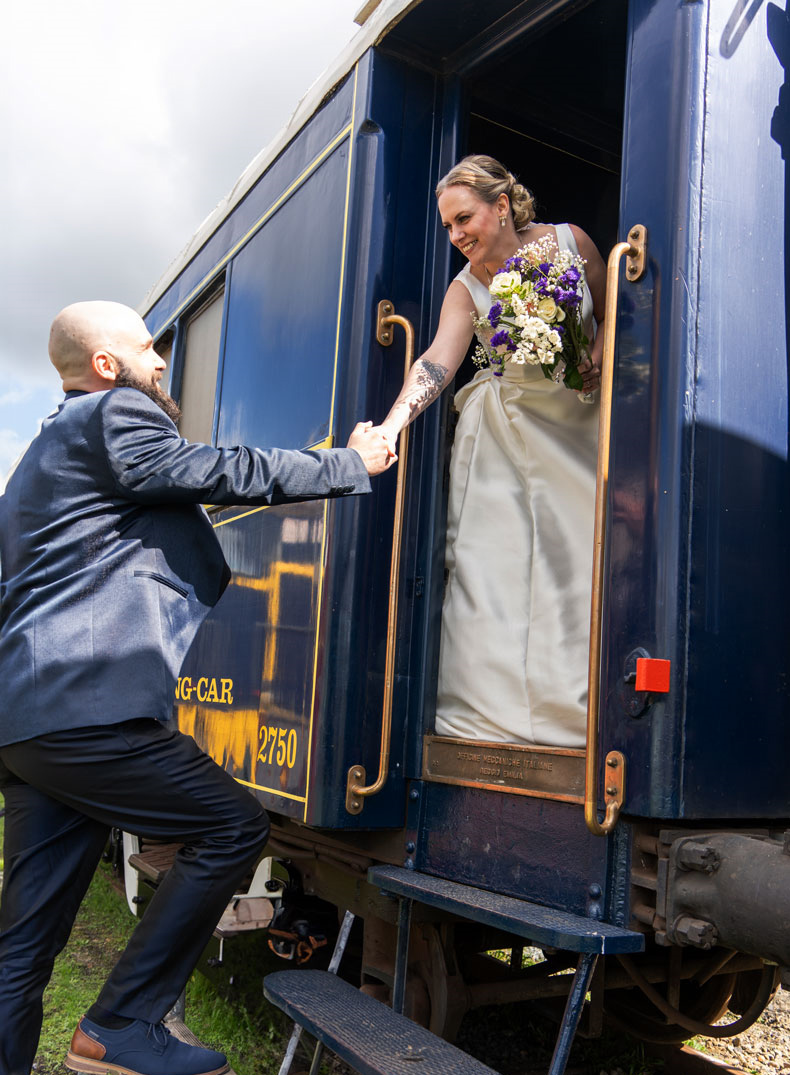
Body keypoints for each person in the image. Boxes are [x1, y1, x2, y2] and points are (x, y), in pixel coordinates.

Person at [0, 300, 394, 1075]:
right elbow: (219, 469)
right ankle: (120, 1024)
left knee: (24, 944)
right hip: (88, 706)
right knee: (232, 826)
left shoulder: (40, 454)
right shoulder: (115, 415)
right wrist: (350, 463)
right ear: (106, 366)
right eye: (148, 348)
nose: (161, 363)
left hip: (30, 722)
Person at [374, 155, 606, 748]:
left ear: (502, 205)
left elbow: (611, 316)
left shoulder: (568, 242)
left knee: (583, 560)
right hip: (509, 432)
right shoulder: (466, 286)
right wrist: (392, 424)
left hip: (583, 420)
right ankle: (490, 719)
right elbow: (437, 362)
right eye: (448, 227)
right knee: (497, 570)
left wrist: (596, 353)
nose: (456, 236)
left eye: (464, 219)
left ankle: (582, 712)